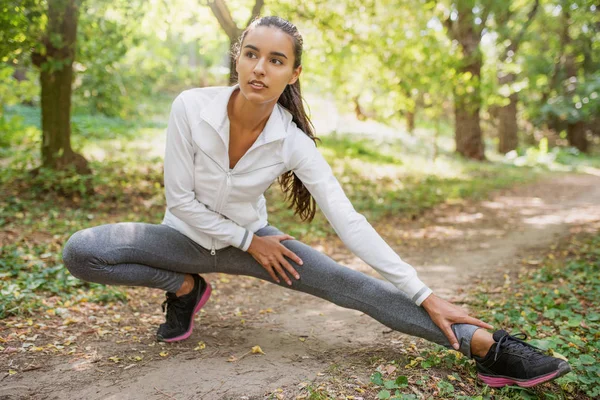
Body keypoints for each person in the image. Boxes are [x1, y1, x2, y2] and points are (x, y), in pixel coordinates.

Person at [62, 16, 571, 389]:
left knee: (352, 287)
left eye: (276, 60)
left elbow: (348, 220)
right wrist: (246, 241)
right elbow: (182, 199)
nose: (260, 68)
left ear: (293, 73)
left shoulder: (292, 142)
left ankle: (489, 347)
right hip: (184, 238)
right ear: (238, 56)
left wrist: (423, 293)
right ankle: (185, 287)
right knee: (81, 252)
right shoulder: (190, 108)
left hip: (257, 245)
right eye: (251, 54)